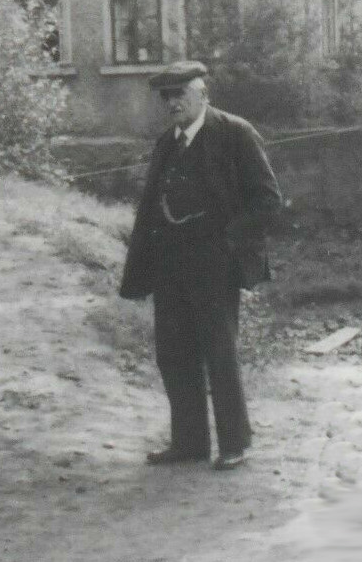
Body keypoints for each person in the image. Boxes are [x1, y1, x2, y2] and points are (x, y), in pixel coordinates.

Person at [119, 62, 282, 471]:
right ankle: (189, 443)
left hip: (215, 265)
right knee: (173, 353)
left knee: (219, 352)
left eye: (181, 94)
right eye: (167, 96)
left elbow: (267, 200)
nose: (173, 103)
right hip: (170, 264)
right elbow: (151, 207)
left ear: (203, 95)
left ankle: (234, 443)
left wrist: (228, 241)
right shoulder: (167, 143)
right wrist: (143, 263)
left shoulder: (235, 134)